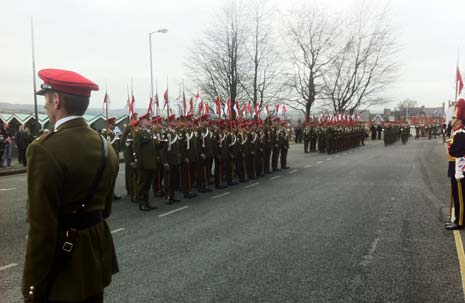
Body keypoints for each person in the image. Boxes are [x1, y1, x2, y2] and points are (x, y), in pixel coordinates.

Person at [22, 68, 119, 302]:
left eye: (46, 99)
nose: (45, 105)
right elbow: (104, 210)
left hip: (63, 269)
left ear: (56, 100)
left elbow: (41, 228)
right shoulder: (106, 146)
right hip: (95, 259)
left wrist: (32, 285)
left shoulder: (43, 148)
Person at [446, 98, 465, 230]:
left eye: (453, 117)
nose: (451, 120)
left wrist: (458, 172)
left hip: (458, 170)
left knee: (460, 198)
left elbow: (458, 153)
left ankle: (460, 222)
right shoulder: (456, 133)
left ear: (459, 119)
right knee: (457, 196)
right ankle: (457, 218)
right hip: (454, 168)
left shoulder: (460, 134)